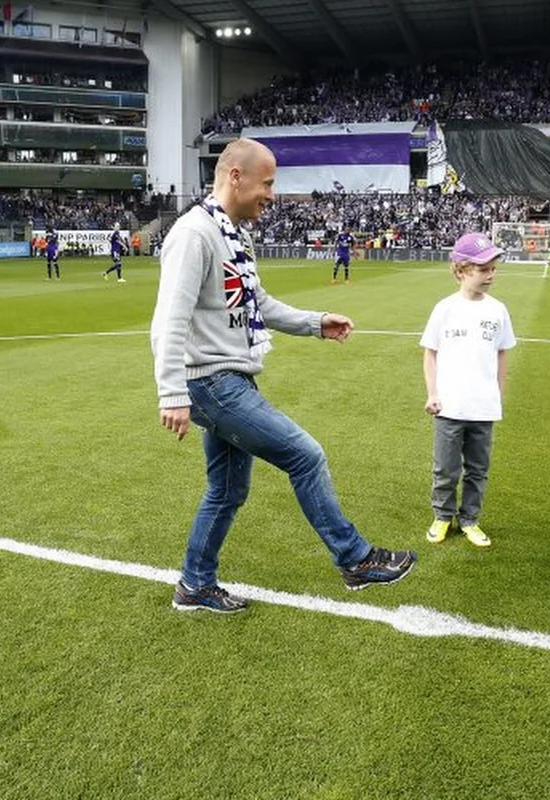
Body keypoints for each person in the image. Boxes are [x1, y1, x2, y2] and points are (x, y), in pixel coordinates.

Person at [152, 138, 416, 613]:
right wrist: (171, 393)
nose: (273, 194)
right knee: (305, 455)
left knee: (228, 490)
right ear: (236, 176)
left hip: (230, 378)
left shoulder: (235, 234)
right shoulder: (194, 235)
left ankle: (194, 585)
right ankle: (355, 559)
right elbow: (169, 320)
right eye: (268, 182)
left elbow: (259, 304)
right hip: (211, 382)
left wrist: (315, 323)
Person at [420, 232, 516, 548]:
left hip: (483, 408)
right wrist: (432, 393)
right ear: (461, 270)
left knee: (478, 471)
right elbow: (430, 353)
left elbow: (502, 353)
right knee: (445, 469)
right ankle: (443, 516)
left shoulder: (498, 310)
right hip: (449, 406)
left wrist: (498, 393)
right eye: (483, 269)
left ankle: (470, 519)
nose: (491, 275)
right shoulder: (444, 309)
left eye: (493, 268)